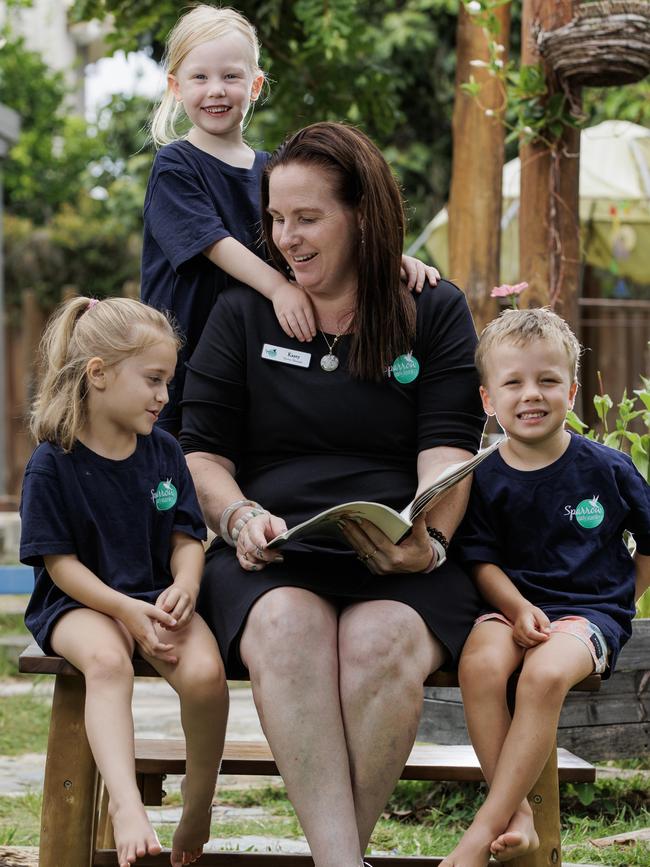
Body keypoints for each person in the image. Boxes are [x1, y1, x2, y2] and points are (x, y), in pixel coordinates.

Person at [180, 120, 486, 867]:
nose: (286, 237)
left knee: (378, 640)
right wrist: (238, 513)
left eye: (307, 218)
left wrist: (430, 541)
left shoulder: (431, 309)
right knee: (287, 627)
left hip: (403, 556)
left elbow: (448, 453)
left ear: (362, 215)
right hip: (273, 557)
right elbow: (201, 454)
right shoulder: (244, 310)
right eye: (277, 219)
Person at [142, 3, 438, 434]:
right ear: (175, 87)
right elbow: (213, 242)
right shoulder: (175, 166)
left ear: (256, 84)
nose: (216, 90)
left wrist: (384, 260)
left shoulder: (271, 170)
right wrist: (279, 288)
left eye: (231, 76)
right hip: (182, 356)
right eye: (200, 77)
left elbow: (314, 240)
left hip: (257, 357)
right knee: (177, 461)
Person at [19, 297, 228, 867]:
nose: (165, 396)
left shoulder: (163, 451)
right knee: (107, 663)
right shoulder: (53, 461)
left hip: (152, 594)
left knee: (208, 675)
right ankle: (127, 805)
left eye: (169, 382)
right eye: (154, 380)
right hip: (76, 602)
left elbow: (188, 536)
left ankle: (199, 798)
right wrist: (122, 611)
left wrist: (185, 582)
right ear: (99, 374)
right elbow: (59, 565)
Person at [443, 308, 650, 867]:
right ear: (488, 400)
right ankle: (520, 818)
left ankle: (484, 826)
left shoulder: (609, 468)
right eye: (513, 382)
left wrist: (620, 604)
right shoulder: (482, 479)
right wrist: (516, 608)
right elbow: (479, 561)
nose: (530, 394)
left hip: (586, 617)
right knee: (480, 665)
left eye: (548, 380)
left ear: (573, 390)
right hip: (512, 609)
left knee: (544, 674)